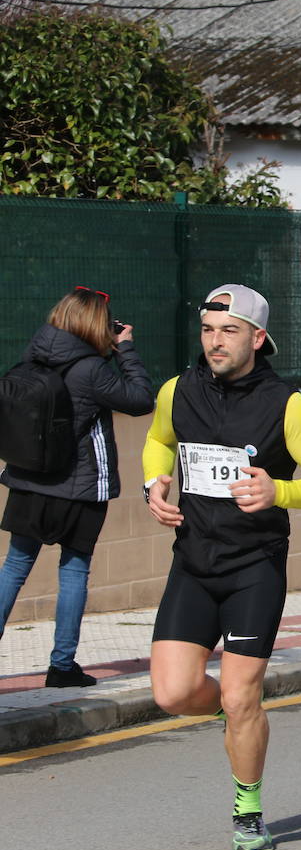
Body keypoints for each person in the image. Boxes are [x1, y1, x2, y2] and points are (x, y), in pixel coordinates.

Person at [143, 285, 301, 850]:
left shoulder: (287, 404)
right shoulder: (177, 391)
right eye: (208, 330)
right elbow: (159, 442)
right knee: (174, 692)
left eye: (228, 331)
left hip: (254, 568)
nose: (215, 341)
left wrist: (278, 490)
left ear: (257, 338)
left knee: (240, 694)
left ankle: (249, 807)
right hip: (194, 563)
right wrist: (153, 482)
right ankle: (238, 716)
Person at [1, 287, 154, 686]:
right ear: (95, 324)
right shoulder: (91, 370)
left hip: (30, 479)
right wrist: (125, 349)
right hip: (80, 487)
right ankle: (62, 665)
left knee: (15, 567)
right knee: (74, 570)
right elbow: (140, 399)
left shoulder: (33, 355)